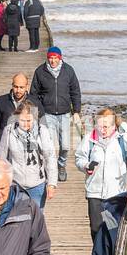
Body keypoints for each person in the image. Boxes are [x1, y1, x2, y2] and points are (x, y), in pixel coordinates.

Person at [75, 107, 127, 242]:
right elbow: (79, 158)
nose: (102, 130)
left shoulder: (123, 139)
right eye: (99, 126)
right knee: (96, 228)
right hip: (95, 193)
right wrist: (86, 166)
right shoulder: (89, 139)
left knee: (111, 228)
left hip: (115, 194)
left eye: (106, 127)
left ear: (114, 125)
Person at [30, 46, 81, 182]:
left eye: (55, 58)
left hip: (64, 114)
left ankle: (61, 165)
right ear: (47, 58)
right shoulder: (40, 71)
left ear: (60, 58)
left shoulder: (68, 71)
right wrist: (38, 112)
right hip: (47, 113)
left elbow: (75, 91)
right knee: (50, 146)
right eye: (50, 58)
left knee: (65, 146)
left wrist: (76, 111)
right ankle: (50, 170)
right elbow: (33, 95)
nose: (53, 60)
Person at [0, 101, 57, 208]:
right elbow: (1, 159)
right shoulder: (9, 131)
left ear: (34, 118)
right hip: (15, 184)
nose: (26, 124)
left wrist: (52, 184)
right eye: (22, 120)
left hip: (37, 185)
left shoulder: (42, 131)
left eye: (29, 120)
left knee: (36, 220)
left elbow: (50, 158)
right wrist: (1, 182)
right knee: (15, 219)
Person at [0, 72, 42, 157]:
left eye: (21, 87)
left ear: (27, 87)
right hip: (6, 149)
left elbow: (41, 126)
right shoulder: (1, 101)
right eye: (15, 87)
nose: (18, 90)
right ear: (12, 85)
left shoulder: (35, 103)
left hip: (27, 150)